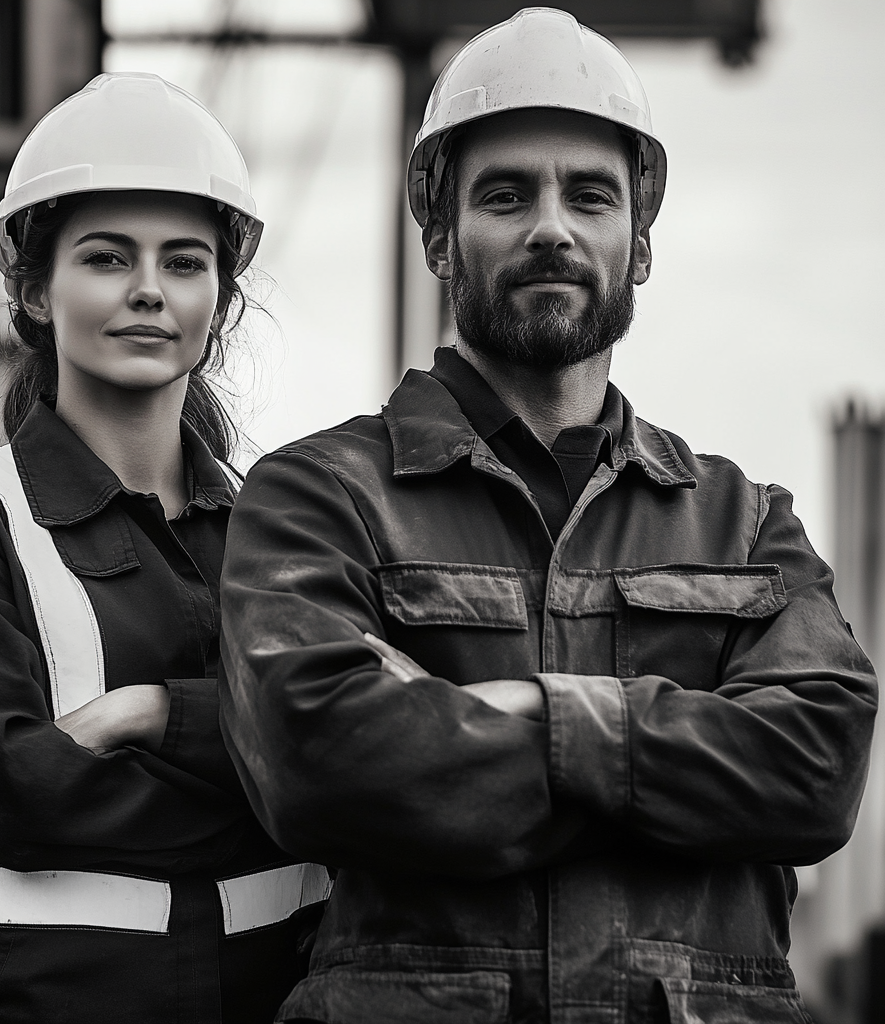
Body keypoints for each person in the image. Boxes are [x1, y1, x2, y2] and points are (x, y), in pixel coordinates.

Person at [218, 9, 878, 1023]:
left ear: (639, 245)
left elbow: (816, 769)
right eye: (505, 194)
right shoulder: (323, 498)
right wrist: (678, 765)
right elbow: (322, 764)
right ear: (439, 238)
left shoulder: (743, 525)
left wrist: (527, 715)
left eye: (589, 195)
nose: (551, 226)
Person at [0, 72, 329, 1024]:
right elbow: (15, 793)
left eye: (183, 261)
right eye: (105, 257)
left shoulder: (279, 527)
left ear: (221, 296)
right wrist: (261, 770)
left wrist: (145, 715)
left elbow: (340, 757)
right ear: (35, 291)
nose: (147, 292)